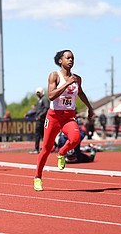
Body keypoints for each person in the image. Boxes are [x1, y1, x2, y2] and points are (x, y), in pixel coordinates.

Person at [34, 49, 94, 191]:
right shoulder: (54, 75)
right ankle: (37, 177)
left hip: (68, 116)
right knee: (46, 149)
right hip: (54, 116)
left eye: (72, 58)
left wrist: (90, 107)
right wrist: (67, 84)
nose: (71, 60)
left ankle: (62, 152)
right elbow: (51, 95)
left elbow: (81, 92)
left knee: (75, 138)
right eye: (68, 58)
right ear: (60, 61)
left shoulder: (77, 79)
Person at [29, 87, 49, 154]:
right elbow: (36, 110)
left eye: (38, 93)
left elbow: (46, 109)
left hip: (42, 119)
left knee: (41, 134)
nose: (37, 94)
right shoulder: (39, 100)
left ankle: (39, 148)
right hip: (39, 119)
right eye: (37, 93)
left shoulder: (44, 99)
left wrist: (40, 115)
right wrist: (29, 114)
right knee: (40, 134)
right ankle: (38, 148)